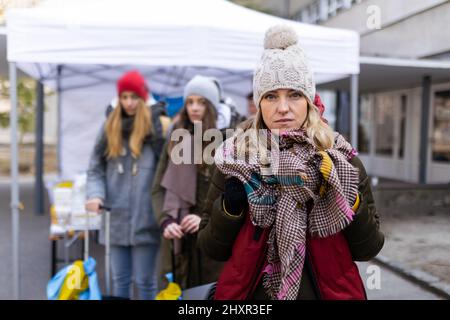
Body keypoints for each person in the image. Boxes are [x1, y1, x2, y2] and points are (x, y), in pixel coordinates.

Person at [197, 25, 384, 300]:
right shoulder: (234, 161)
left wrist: (347, 198)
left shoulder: (341, 160)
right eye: (271, 96)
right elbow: (211, 248)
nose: (282, 108)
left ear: (309, 101)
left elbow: (368, 248)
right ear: (259, 103)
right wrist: (230, 209)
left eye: (294, 95)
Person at [85, 70, 165, 299]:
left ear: (142, 98)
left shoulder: (156, 128)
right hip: (116, 218)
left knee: (146, 282)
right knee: (119, 281)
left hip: (146, 217)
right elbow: (95, 168)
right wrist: (96, 195)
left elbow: (167, 171)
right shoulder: (109, 127)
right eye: (124, 97)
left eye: (134, 97)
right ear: (119, 98)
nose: (129, 102)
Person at [151, 75, 226, 290]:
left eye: (201, 102)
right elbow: (157, 188)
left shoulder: (225, 142)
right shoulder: (176, 138)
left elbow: (230, 195)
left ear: (211, 106)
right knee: (175, 292)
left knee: (206, 296)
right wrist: (165, 221)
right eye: (190, 102)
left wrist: (204, 218)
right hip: (177, 239)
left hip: (210, 241)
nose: (194, 108)